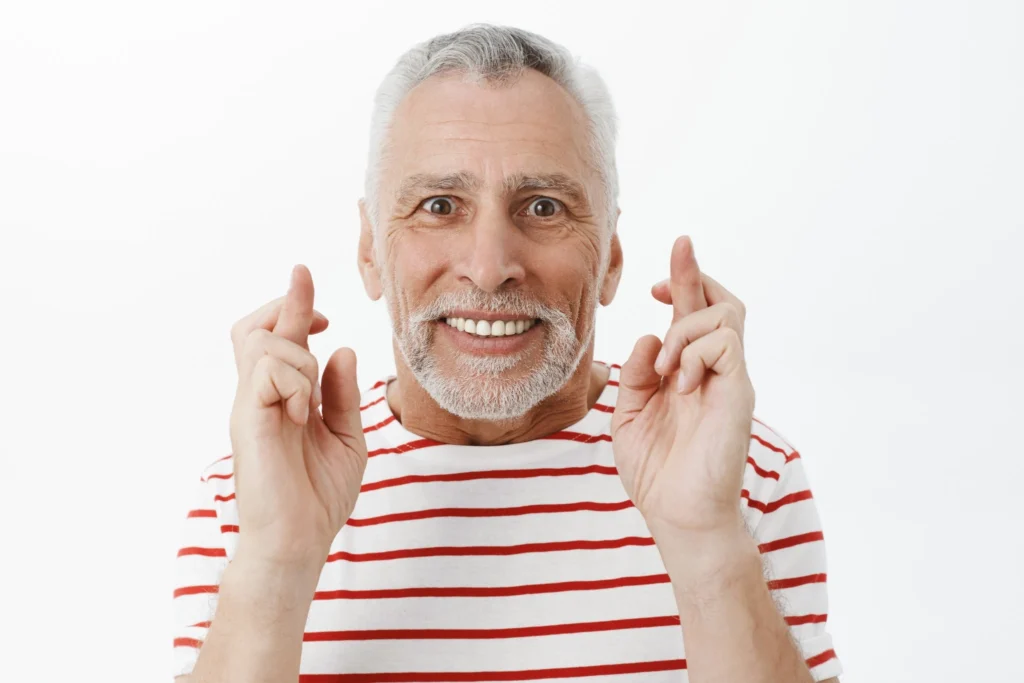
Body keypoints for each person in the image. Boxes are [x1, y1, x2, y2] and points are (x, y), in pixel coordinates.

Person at [172, 23, 842, 683]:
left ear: (609, 257)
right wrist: (276, 563)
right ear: (370, 250)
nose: (490, 267)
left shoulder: (743, 477)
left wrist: (707, 544)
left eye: (544, 207)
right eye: (440, 205)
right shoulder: (250, 497)